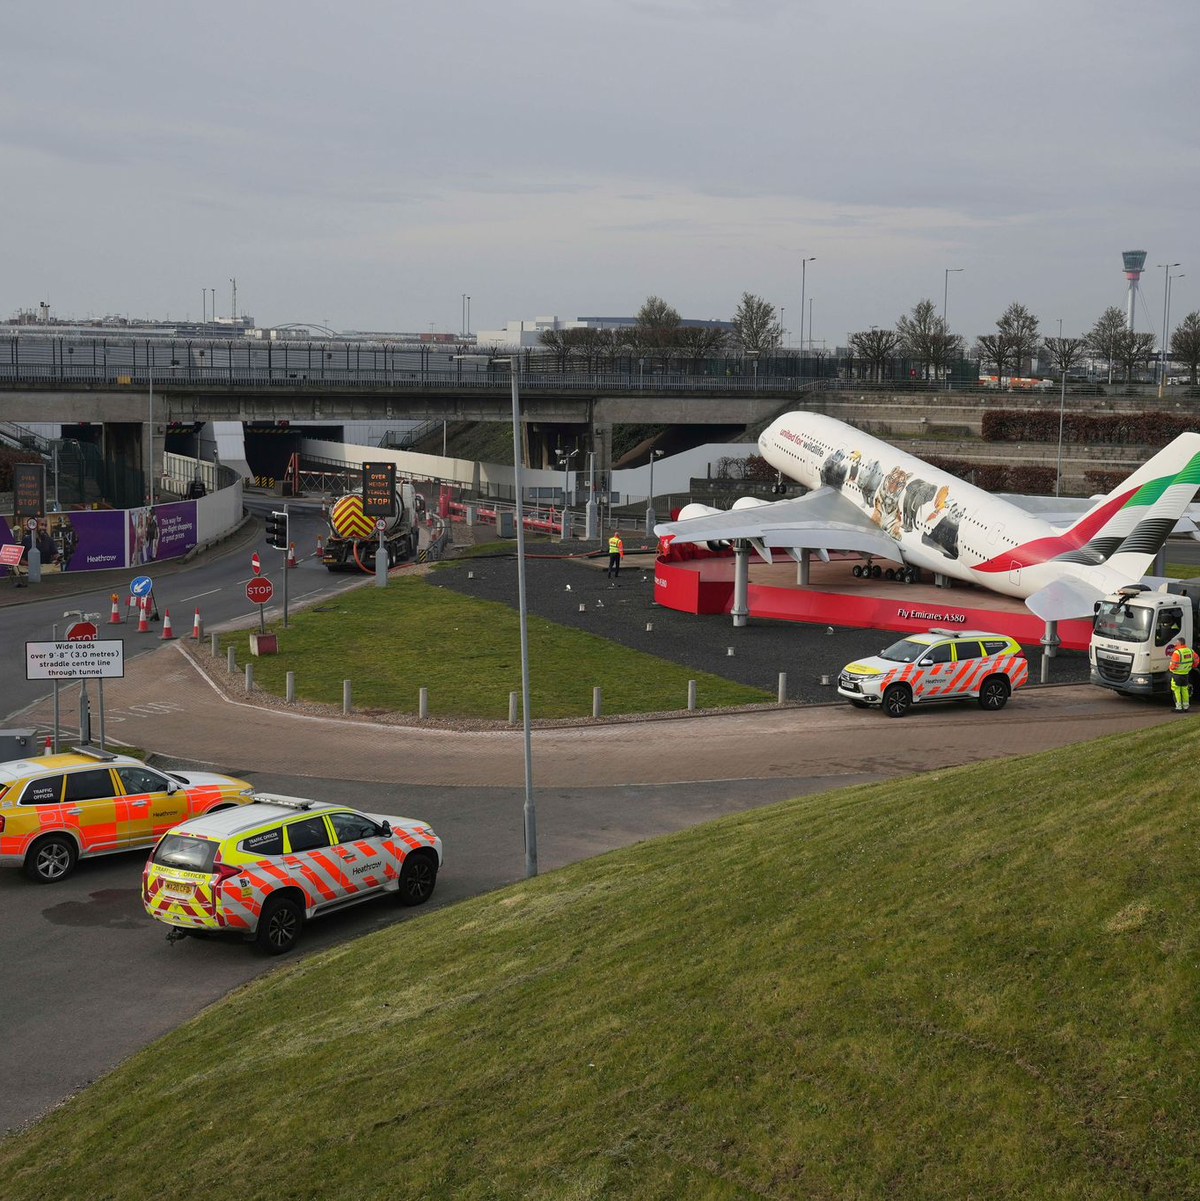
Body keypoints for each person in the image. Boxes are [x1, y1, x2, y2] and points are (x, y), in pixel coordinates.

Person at [1168, 638, 1195, 712]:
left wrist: (1170, 668)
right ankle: (1186, 707)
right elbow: (1196, 659)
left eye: (1176, 643)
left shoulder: (1177, 653)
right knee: (1184, 690)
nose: (1175, 644)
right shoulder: (1190, 651)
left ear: (1179, 643)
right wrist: (1192, 666)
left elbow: (1174, 665)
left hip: (1176, 674)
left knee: (1176, 691)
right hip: (1185, 674)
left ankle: (1179, 707)